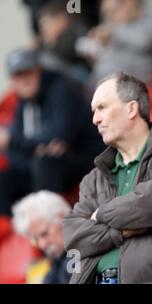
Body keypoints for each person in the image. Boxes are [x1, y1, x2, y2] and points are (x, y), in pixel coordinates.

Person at [63, 71, 152, 284]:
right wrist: (119, 232)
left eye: (102, 108)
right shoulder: (93, 178)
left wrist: (99, 214)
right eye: (94, 111)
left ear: (131, 109)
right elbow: (73, 235)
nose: (95, 119)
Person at [0, 49, 103, 216]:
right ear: (12, 80)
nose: (24, 79)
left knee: (44, 162)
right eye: (18, 76)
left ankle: (53, 224)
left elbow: (59, 135)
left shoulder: (62, 90)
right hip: (47, 164)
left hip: (88, 157)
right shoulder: (22, 105)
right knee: (6, 179)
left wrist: (14, 140)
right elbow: (15, 154)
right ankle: (21, 230)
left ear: (38, 70)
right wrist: (36, 148)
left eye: (28, 72)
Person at [79, 0, 152, 88]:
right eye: (106, 13)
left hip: (133, 89)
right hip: (100, 87)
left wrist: (113, 32)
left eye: (114, 10)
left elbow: (146, 42)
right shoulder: (118, 30)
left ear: (130, 0)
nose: (110, 17)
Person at [12, 190, 72, 284]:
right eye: (35, 239)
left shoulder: (82, 253)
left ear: (63, 217)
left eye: (44, 234)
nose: (42, 244)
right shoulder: (57, 261)